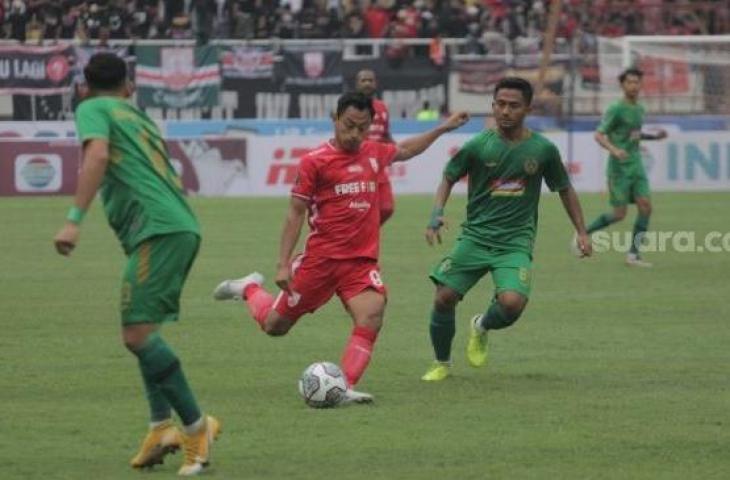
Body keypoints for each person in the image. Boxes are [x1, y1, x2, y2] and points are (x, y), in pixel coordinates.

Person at [214, 92, 469, 403]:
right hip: (319, 262)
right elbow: (295, 212)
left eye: (362, 128)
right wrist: (282, 264)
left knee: (372, 314)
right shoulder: (314, 161)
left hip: (359, 263)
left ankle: (342, 386)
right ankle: (250, 288)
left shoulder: (374, 153)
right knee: (274, 326)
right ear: (334, 119)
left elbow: (406, 149)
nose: (354, 134)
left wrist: (443, 128)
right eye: (348, 125)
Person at [52, 53, 220, 476]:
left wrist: (73, 221)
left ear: (83, 88)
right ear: (129, 87)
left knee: (137, 334)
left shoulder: (92, 107)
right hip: (172, 226)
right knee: (144, 328)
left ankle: (197, 429)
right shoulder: (137, 116)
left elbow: (97, 157)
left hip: (158, 230)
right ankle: (159, 427)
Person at [421, 77, 592, 382]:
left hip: (515, 242)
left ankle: (482, 326)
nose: (505, 111)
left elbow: (565, 189)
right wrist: (437, 213)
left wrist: (581, 231)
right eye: (500, 104)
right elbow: (448, 177)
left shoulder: (542, 150)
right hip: (475, 237)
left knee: (512, 305)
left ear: (527, 108)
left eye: (513, 106)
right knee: (443, 296)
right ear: (493, 106)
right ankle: (441, 363)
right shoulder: (478, 145)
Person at [584, 68, 667, 267]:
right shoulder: (616, 109)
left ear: (641, 84)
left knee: (646, 207)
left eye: (636, 82)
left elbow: (633, 135)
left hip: (636, 165)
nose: (633, 85)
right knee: (619, 215)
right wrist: (614, 150)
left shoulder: (639, 109)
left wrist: (655, 136)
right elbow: (599, 135)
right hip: (619, 169)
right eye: (629, 82)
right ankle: (583, 233)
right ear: (622, 85)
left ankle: (633, 256)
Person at [355, 68, 396, 225]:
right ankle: (359, 235)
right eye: (363, 80)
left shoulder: (382, 107)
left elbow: (385, 134)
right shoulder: (348, 106)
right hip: (358, 164)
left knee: (387, 207)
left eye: (370, 80)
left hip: (378, 164)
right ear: (356, 84)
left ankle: (364, 233)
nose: (367, 83)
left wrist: (394, 148)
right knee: (359, 208)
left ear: (375, 84)